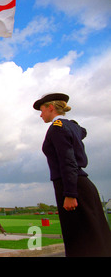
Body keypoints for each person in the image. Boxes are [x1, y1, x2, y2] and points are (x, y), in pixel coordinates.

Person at [34, 93, 111, 256]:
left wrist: (69, 194)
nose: (40, 115)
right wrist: (71, 124)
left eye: (42, 110)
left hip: (71, 185)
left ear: (51, 108)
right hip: (81, 183)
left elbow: (67, 161)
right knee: (94, 235)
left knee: (79, 239)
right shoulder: (69, 126)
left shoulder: (56, 129)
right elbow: (82, 131)